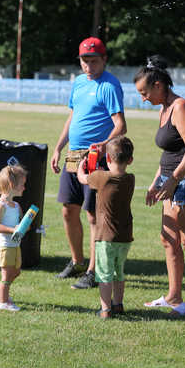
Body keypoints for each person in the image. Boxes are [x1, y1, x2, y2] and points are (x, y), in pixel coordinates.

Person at [135, 56, 185, 317]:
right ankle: (173, 296)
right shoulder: (163, 108)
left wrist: (174, 180)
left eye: (145, 93)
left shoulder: (181, 107)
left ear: (158, 85)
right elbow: (170, 152)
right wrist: (155, 182)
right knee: (168, 240)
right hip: (171, 183)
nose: (143, 99)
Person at [51, 37, 127, 289]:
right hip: (74, 155)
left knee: (93, 215)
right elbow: (72, 116)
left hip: (96, 158)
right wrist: (59, 147)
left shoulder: (110, 85)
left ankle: (93, 271)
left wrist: (104, 145)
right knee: (67, 209)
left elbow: (120, 125)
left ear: (104, 59)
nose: (88, 66)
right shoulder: (79, 82)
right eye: (84, 61)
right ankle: (77, 261)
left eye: (94, 61)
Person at [77, 136, 135, 319]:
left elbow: (83, 178)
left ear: (108, 159)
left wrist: (82, 165)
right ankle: (118, 304)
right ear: (130, 160)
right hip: (124, 236)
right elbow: (111, 177)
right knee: (119, 271)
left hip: (105, 238)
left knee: (104, 274)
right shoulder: (130, 179)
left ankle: (105, 309)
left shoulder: (100, 178)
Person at [0, 164, 27, 312]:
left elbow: (21, 224)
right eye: (22, 185)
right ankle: (3, 302)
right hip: (5, 247)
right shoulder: (1, 206)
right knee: (6, 276)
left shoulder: (17, 206)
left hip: (15, 246)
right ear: (12, 185)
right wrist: (13, 229)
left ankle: (0, 293)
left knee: (16, 272)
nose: (24, 188)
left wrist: (28, 225)